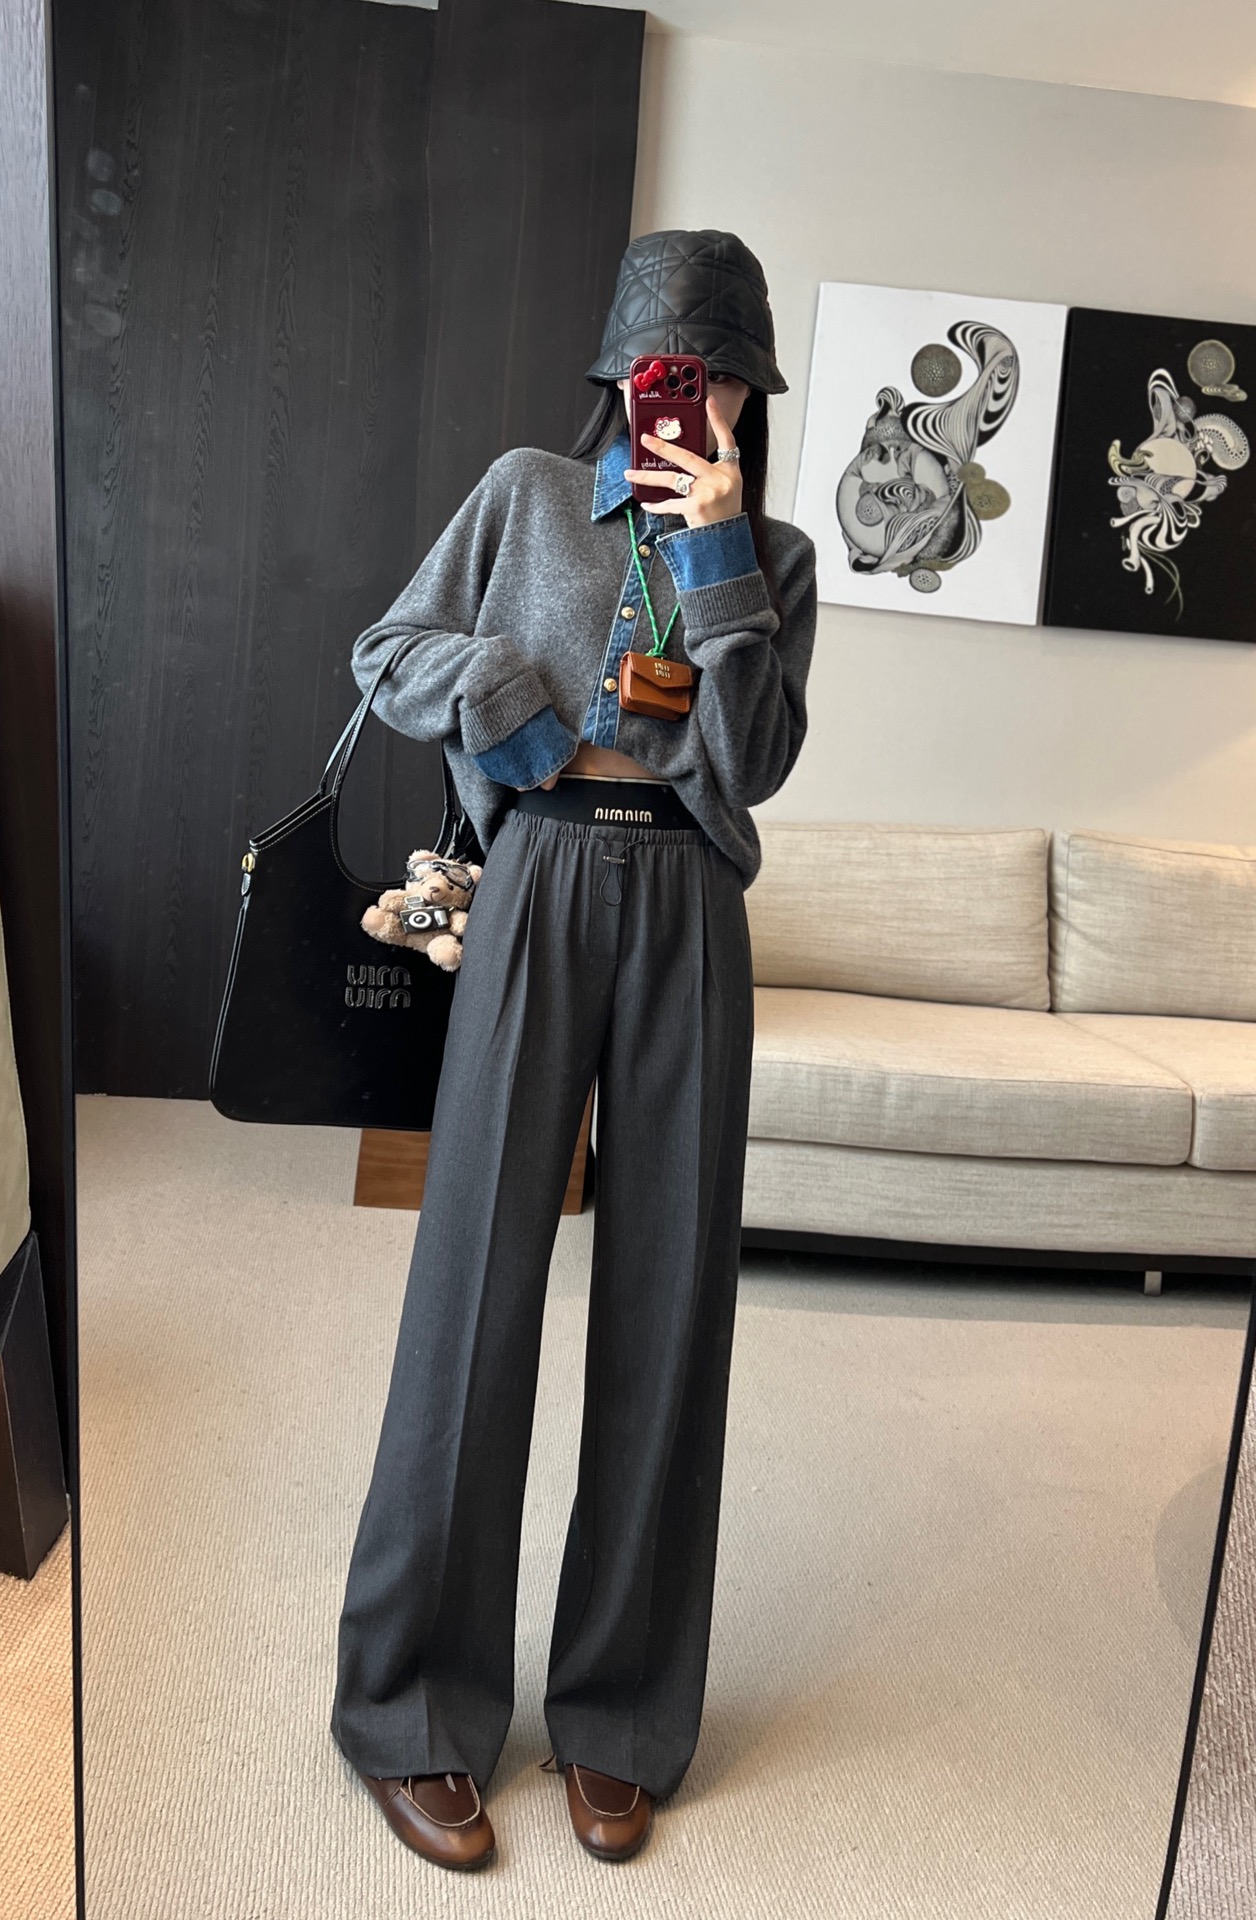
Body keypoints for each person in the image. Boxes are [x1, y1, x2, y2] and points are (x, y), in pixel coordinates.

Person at [330, 228, 818, 1870]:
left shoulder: (775, 554)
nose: (696, 399)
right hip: (536, 877)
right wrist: (504, 691)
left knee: (671, 1306)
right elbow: (386, 652)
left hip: (690, 908)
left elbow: (754, 760)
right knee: (472, 1289)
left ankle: (620, 1714)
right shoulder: (527, 497)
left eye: (725, 376)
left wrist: (723, 554)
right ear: (619, 376)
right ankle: (411, 1707)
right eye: (672, 370)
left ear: (753, 394)